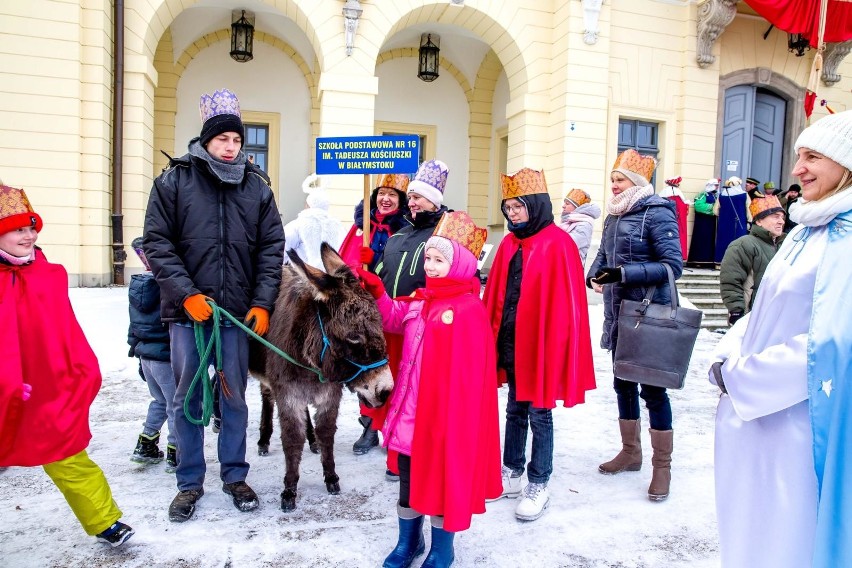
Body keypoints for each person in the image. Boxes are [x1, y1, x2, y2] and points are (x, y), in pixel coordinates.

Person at [711, 109, 852, 568]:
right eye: (797, 155)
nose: (797, 169)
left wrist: (744, 379)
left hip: (798, 424)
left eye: (812, 156)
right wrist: (727, 353)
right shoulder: (806, 227)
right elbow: (763, 310)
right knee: (753, 531)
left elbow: (832, 343)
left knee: (785, 539)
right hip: (756, 417)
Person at [143, 88, 285, 522]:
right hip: (188, 316)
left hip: (236, 317)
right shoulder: (174, 180)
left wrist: (261, 304)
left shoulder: (256, 188)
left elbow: (270, 248)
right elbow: (157, 243)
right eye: (223, 139)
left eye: (238, 140)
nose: (231, 147)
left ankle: (235, 475)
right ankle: (189, 482)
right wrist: (186, 294)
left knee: (233, 398)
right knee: (186, 397)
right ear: (207, 140)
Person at [359, 211, 501, 568]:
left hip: (443, 422)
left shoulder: (469, 310)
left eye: (440, 260)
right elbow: (394, 318)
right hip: (410, 415)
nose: (431, 266)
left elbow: (470, 378)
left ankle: (442, 547)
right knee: (408, 483)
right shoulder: (421, 300)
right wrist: (377, 293)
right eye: (428, 258)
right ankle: (408, 542)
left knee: (439, 485)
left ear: (461, 266)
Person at [0, 184, 134, 547]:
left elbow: (64, 331)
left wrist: (79, 367)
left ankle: (106, 521)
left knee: (66, 454)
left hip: (42, 389)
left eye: (31, 228)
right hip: (3, 387)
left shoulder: (47, 275)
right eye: (17, 229)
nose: (28, 236)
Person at [483, 168, 596, 521]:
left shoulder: (558, 243)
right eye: (508, 208)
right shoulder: (508, 243)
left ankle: (539, 481)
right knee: (514, 409)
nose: (512, 213)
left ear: (535, 205)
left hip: (541, 347)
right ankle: (512, 471)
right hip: (512, 342)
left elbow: (566, 308)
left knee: (539, 413)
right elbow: (498, 293)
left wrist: (555, 346)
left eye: (518, 207)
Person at [587, 149, 683, 501]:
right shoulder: (614, 215)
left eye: (620, 179)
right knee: (622, 384)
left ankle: (663, 467)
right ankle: (631, 452)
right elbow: (603, 257)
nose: (613, 185)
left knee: (654, 391)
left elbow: (672, 266)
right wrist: (593, 276)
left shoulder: (657, 212)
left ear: (638, 182)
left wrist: (624, 273)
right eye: (612, 178)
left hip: (648, 313)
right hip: (618, 313)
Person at [337, 173, 410, 457]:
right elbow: (344, 263)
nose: (386, 198)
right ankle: (368, 424)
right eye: (382, 193)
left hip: (391, 311)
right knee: (366, 367)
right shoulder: (360, 228)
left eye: (393, 194)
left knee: (392, 368)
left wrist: (378, 260)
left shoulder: (403, 230)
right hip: (363, 315)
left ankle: (392, 424)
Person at [128, 237, 177, 473]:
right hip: (165, 357)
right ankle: (176, 452)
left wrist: (136, 352)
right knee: (176, 404)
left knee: (160, 401)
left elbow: (133, 327)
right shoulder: (165, 287)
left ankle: (145, 444)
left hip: (146, 356)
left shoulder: (138, 286)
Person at [719, 195, 786, 326]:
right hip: (753, 316)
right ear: (759, 221)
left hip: (781, 316)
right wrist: (736, 310)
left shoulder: (788, 244)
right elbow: (731, 280)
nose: (781, 221)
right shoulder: (743, 245)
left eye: (782, 217)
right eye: (775, 216)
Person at [283, 174, 344, 270]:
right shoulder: (338, 225)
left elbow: (282, 248)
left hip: (305, 278)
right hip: (333, 278)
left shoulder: (298, 224)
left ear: (308, 205)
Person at [558, 188, 600, 265]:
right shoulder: (568, 221)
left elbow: (570, 243)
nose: (563, 206)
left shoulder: (584, 224)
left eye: (567, 204)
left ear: (578, 207)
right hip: (563, 263)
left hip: (572, 266)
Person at [714, 176, 749, 264]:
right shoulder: (744, 195)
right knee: (739, 242)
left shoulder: (722, 195)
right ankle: (738, 262)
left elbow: (715, 211)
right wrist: (749, 221)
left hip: (724, 224)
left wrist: (722, 215)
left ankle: (720, 262)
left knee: (723, 241)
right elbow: (749, 210)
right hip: (740, 223)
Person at [686, 178, 720, 268]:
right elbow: (698, 206)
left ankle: (709, 261)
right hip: (702, 222)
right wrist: (713, 208)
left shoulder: (716, 196)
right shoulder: (702, 195)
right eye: (716, 185)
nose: (717, 187)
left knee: (710, 241)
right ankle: (698, 261)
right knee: (701, 240)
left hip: (712, 222)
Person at [659, 176, 690, 260]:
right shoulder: (677, 193)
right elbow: (681, 207)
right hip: (677, 221)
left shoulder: (663, 193)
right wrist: (687, 204)